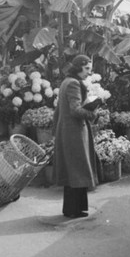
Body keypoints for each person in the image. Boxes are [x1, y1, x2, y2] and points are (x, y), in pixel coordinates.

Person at [53, 55, 99, 219]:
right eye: (86, 68)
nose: (89, 72)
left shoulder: (66, 81)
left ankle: (74, 208)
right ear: (78, 67)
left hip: (67, 130)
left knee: (73, 168)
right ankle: (74, 209)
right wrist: (93, 113)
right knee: (77, 168)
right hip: (75, 132)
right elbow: (75, 110)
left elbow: (59, 110)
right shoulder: (73, 83)